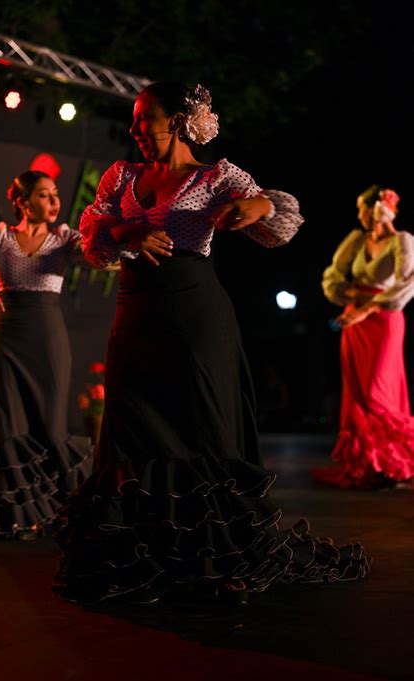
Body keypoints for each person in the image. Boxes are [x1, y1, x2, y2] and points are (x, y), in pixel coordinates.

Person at [53, 82, 370, 606]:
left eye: (144, 120)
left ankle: (208, 555)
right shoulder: (122, 175)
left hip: (195, 313)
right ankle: (141, 554)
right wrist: (124, 230)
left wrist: (258, 206)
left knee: (197, 426)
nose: (135, 132)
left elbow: (280, 219)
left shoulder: (216, 176)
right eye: (132, 122)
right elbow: (91, 229)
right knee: (132, 430)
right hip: (136, 314)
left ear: (177, 121)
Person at [0, 170, 93, 537]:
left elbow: (95, 255)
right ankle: (18, 516)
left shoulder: (64, 238)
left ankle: (59, 510)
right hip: (8, 337)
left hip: (47, 337)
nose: (54, 201)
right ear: (23, 203)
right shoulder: (1, 236)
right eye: (44, 195)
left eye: (55, 194)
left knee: (51, 424)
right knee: (10, 425)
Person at [313, 185, 414, 489]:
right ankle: (368, 465)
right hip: (354, 320)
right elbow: (332, 276)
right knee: (356, 391)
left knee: (377, 391)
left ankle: (392, 462)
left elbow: (406, 285)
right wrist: (351, 296)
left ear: (377, 209)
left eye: (362, 208)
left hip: (383, 321)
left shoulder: (401, 241)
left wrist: (365, 309)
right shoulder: (356, 240)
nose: (359, 214)